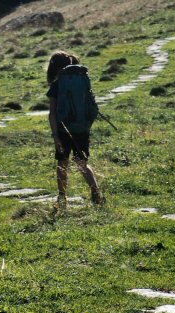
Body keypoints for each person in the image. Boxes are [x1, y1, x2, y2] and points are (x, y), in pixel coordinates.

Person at [46, 50, 103, 207]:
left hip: (64, 130)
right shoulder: (83, 82)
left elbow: (53, 114)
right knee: (82, 163)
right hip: (82, 128)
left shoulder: (57, 86)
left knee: (62, 164)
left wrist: (56, 136)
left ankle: (62, 197)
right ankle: (96, 192)